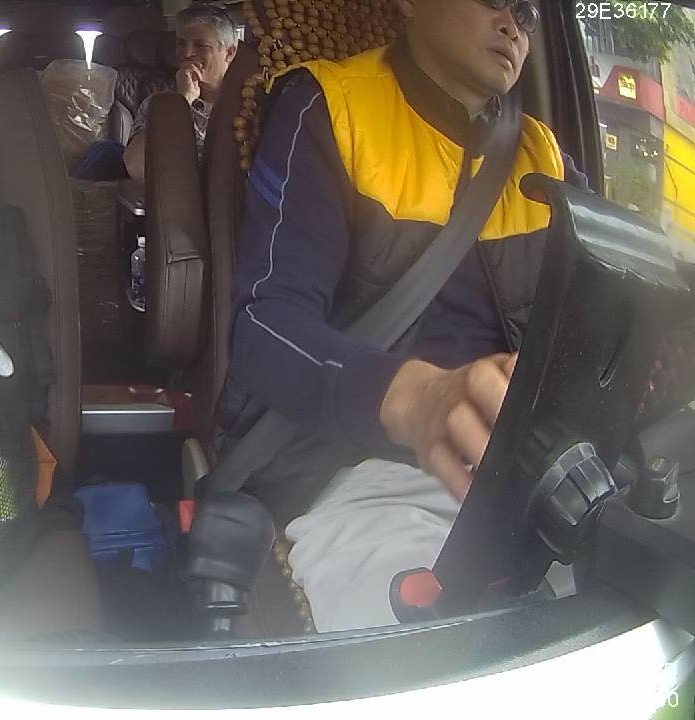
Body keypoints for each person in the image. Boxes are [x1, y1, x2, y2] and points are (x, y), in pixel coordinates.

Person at [224, 0, 581, 632]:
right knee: (447, 654)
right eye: (496, 0)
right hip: (360, 471)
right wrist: (417, 399)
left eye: (528, 12)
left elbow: (611, 304)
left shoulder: (543, 156)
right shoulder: (329, 106)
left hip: (527, 481)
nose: (514, 24)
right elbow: (264, 325)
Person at [123, 3, 238, 181]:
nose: (187, 53)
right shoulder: (158, 104)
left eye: (201, 45)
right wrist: (181, 101)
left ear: (229, 53)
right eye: (181, 43)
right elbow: (136, 168)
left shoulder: (248, 103)